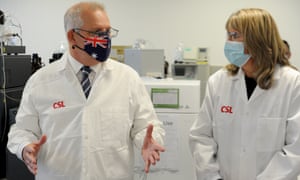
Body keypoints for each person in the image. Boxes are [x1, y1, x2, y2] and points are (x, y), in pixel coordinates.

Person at [7, 2, 165, 180]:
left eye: (108, 31)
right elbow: (21, 130)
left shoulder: (128, 78)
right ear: (72, 37)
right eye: (97, 33)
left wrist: (147, 140)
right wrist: (24, 146)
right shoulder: (40, 82)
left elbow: (146, 126)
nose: (105, 38)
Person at [189, 8, 300, 180]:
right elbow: (201, 136)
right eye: (228, 36)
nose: (229, 42)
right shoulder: (218, 82)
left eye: (235, 36)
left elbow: (296, 149)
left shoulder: (292, 84)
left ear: (256, 39)